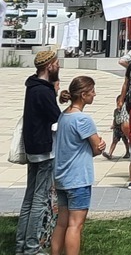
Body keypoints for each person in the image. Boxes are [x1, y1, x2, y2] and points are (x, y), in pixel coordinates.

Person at [51, 76, 105, 255]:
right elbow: (96, 148)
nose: (94, 94)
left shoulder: (64, 115)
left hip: (61, 177)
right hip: (78, 178)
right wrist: (100, 146)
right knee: (75, 225)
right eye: (92, 91)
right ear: (83, 95)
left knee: (62, 223)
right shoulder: (83, 119)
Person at [16, 49, 63, 255]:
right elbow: (57, 117)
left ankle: (22, 245)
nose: (59, 66)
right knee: (39, 199)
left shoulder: (33, 85)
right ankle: (32, 247)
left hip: (33, 146)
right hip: (43, 149)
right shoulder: (43, 91)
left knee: (29, 198)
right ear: (49, 66)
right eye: (57, 63)